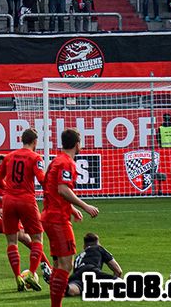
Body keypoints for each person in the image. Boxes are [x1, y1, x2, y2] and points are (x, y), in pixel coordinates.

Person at [41, 128, 99, 307]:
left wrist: (72, 209)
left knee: (58, 264)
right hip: (58, 219)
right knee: (66, 265)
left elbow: (51, 188)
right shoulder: (67, 163)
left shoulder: (55, 161)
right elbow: (63, 189)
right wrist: (85, 206)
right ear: (77, 144)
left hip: (49, 215)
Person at [0, 128, 45, 292]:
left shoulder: (9, 157)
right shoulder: (35, 157)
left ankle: (18, 276)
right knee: (37, 238)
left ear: (22, 140)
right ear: (35, 142)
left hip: (8, 201)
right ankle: (31, 273)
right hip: (26, 200)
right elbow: (42, 179)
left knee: (12, 241)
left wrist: (9, 189)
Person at [43, 233, 123, 297]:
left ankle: (60, 283)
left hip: (76, 275)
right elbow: (118, 271)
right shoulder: (98, 248)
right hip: (91, 270)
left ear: (84, 246)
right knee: (120, 283)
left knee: (72, 291)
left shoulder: (79, 256)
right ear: (98, 243)